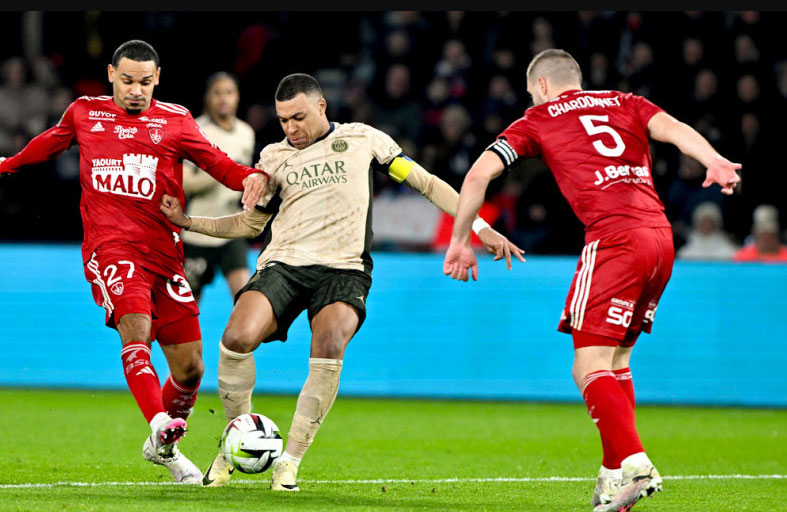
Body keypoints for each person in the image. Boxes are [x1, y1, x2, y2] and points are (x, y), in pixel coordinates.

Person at [159, 72, 523, 491]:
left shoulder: (363, 139)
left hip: (344, 269)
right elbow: (250, 224)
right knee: (236, 338)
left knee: (330, 343)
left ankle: (289, 462)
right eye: (283, 120)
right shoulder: (274, 157)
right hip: (284, 265)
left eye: (298, 117)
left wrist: (478, 227)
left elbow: (425, 183)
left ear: (321, 106)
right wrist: (189, 222)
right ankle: (234, 444)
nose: (291, 128)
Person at [443, 49, 741, 511]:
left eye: (531, 92)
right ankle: (611, 473)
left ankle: (637, 465)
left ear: (542, 86)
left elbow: (480, 173)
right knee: (617, 360)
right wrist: (714, 159)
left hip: (615, 240)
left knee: (586, 367)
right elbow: (675, 129)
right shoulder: (626, 102)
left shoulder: (538, 118)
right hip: (660, 239)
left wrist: (461, 240)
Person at [0, 40, 268, 483]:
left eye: (145, 82)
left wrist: (251, 177)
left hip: (164, 254)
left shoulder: (176, 120)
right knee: (136, 327)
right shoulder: (85, 113)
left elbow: (218, 163)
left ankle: (161, 447)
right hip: (111, 248)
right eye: (127, 81)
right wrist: (7, 164)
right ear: (111, 75)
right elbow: (49, 144)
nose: (136, 90)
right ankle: (160, 424)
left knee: (191, 368)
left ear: (157, 79)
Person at [181, 72, 255, 303]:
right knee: (189, 306)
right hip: (197, 232)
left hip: (231, 229)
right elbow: (185, 182)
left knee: (245, 299)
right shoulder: (194, 131)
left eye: (229, 92)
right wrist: (222, 169)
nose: (224, 98)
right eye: (217, 92)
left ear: (237, 96)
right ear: (208, 97)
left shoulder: (246, 132)